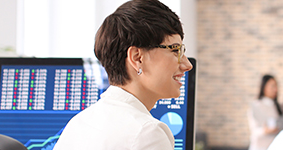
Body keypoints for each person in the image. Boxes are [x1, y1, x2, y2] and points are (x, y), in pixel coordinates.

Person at [54, 0, 193, 149]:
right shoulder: (147, 133)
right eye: (175, 50)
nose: (187, 65)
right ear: (137, 58)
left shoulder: (78, 123)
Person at [248, 75, 283, 150]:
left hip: (275, 146)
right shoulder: (257, 105)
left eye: (276, 86)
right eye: (272, 86)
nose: (275, 90)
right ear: (264, 87)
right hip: (260, 146)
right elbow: (254, 131)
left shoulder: (278, 106)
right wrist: (265, 130)